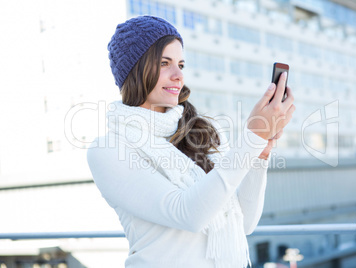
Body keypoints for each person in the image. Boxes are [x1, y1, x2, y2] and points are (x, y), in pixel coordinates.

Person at [87, 15, 295, 268]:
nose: (178, 76)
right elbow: (189, 213)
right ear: (135, 70)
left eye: (181, 65)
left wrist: (259, 154)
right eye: (165, 63)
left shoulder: (203, 131)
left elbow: (245, 222)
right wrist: (252, 138)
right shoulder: (108, 150)